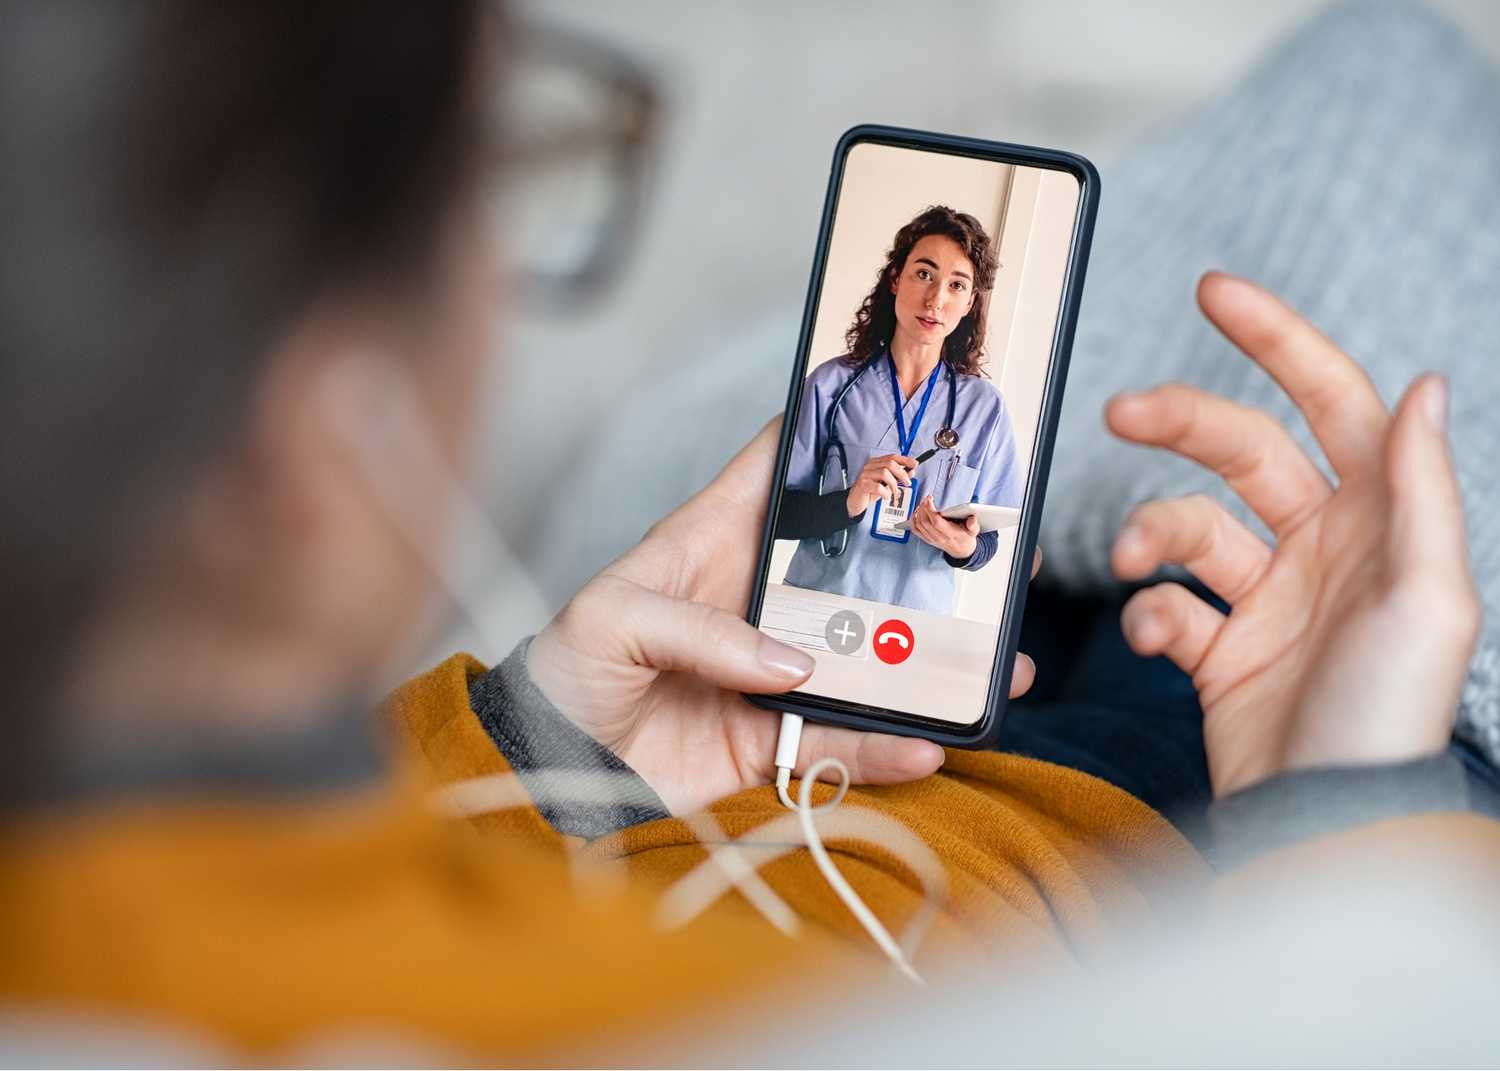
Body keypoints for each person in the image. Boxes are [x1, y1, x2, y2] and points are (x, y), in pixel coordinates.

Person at [2, 2, 1497, 1062]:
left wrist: (530, 744)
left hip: (771, 717)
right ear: (314, 434)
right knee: (1383, 91)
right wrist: (1362, 820)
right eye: (500, 182)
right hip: (1203, 847)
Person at [774, 205, 1022, 614]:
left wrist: (961, 546)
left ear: (970, 302)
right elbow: (778, 514)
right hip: (817, 605)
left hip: (914, 623)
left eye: (957, 286)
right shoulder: (830, 385)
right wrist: (849, 500)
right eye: (924, 274)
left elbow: (987, 545)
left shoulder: (984, 409)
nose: (936, 299)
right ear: (895, 279)